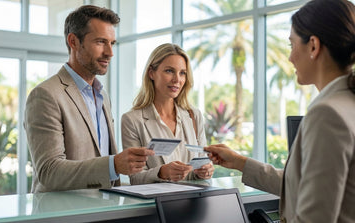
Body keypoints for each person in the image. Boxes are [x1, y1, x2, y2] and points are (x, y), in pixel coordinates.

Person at [205, 0, 355, 222]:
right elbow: (305, 184)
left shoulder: (327, 114)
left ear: (313, 46)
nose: (290, 57)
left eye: (292, 45)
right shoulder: (347, 103)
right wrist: (240, 162)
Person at [24, 5, 154, 193]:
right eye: (101, 42)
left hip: (103, 211)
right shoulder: (46, 95)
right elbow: (49, 171)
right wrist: (114, 165)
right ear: (74, 41)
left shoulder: (102, 95)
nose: (110, 52)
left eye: (112, 43)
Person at [121, 43, 214, 185]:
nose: (177, 79)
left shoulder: (194, 116)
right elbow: (135, 178)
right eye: (169, 71)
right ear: (151, 73)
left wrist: (205, 171)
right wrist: (162, 172)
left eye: (182, 73)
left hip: (192, 203)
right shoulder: (132, 120)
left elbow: (202, 164)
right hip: (157, 205)